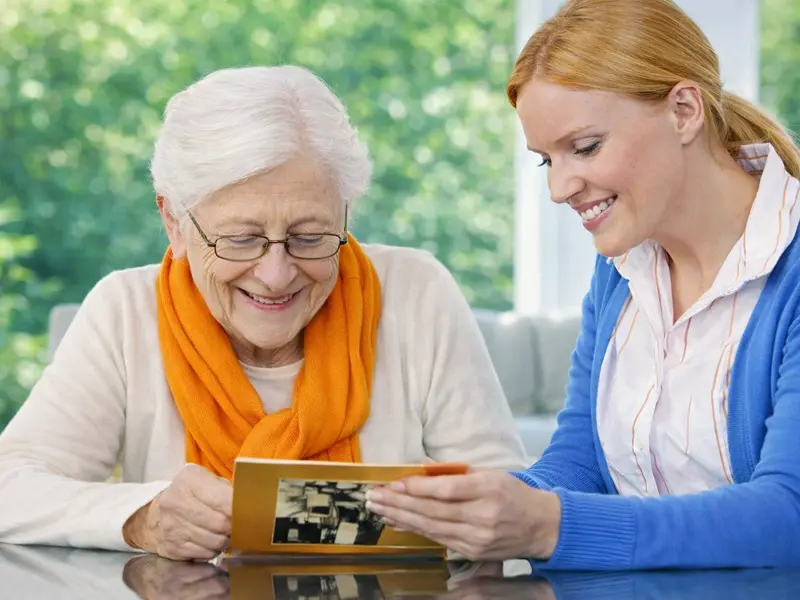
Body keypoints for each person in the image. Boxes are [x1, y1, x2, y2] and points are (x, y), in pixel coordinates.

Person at [0, 65, 527, 560]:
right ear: (174, 223)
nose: (276, 274)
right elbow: (11, 488)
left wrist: (273, 515)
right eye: (241, 239)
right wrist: (143, 516)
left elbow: (506, 500)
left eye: (309, 237)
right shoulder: (124, 311)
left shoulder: (417, 292)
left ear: (346, 212)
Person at [366, 0, 800, 570]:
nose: (560, 188)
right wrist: (479, 509)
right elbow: (580, 461)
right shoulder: (622, 269)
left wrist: (548, 525)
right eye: (547, 160)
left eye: (586, 147)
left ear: (684, 109)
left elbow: (786, 515)